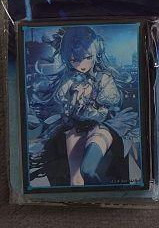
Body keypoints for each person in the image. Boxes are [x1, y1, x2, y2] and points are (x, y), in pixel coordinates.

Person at [26, 25, 139, 187]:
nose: (81, 65)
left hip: (101, 125)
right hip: (76, 127)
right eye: (74, 60)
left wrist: (89, 99)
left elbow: (107, 107)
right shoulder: (69, 80)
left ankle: (106, 193)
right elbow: (63, 103)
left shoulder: (103, 78)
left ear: (95, 54)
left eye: (86, 57)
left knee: (88, 170)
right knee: (76, 180)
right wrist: (74, 96)